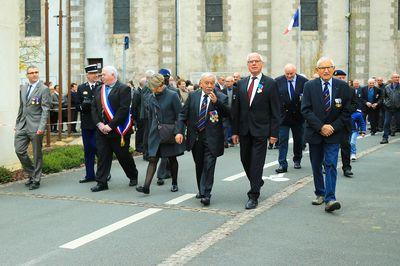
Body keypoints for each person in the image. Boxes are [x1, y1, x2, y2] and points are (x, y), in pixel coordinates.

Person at [301, 57, 352, 212]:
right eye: (322, 68)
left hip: (334, 133)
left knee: (330, 164)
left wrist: (332, 127)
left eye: (329, 67)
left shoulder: (342, 86)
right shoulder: (309, 86)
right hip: (315, 132)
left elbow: (348, 109)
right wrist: (321, 126)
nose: (326, 70)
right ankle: (320, 193)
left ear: (333, 68)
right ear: (317, 70)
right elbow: (306, 110)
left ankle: (330, 199)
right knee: (316, 164)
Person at [231, 52, 280, 209]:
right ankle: (257, 181)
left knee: (257, 163)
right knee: (245, 160)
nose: (253, 64)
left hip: (261, 130)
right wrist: (234, 131)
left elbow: (276, 111)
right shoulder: (241, 84)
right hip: (244, 130)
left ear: (261, 64)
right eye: (250, 62)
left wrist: (274, 133)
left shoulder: (270, 83)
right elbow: (236, 110)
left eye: (256, 61)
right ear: (247, 65)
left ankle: (253, 195)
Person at [176, 73, 229, 206]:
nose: (209, 86)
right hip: (196, 138)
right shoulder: (193, 96)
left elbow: (229, 113)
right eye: (207, 83)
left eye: (212, 83)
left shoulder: (221, 97)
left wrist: (217, 102)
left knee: (209, 166)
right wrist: (179, 132)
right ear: (200, 84)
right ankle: (201, 189)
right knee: (199, 165)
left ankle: (206, 193)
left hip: (212, 138)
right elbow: (183, 114)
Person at [90, 66, 139, 192]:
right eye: (101, 75)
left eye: (104, 74)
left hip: (118, 130)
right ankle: (101, 182)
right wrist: (99, 124)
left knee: (123, 156)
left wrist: (110, 125)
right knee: (102, 156)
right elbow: (94, 108)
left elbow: (123, 110)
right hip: (102, 130)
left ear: (113, 75)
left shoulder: (124, 89)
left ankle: (133, 175)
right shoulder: (99, 89)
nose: (101, 77)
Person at [136, 73, 184, 194]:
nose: (152, 90)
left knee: (172, 159)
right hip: (155, 133)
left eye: (154, 87)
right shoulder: (152, 97)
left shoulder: (172, 95)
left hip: (169, 132)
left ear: (160, 85)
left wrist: (179, 132)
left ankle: (174, 183)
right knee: (153, 159)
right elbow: (151, 117)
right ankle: (146, 187)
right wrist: (148, 135)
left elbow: (180, 115)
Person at [15, 66, 51, 190]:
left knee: (37, 154)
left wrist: (41, 127)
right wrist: (17, 124)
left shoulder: (44, 89)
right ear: (27, 75)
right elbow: (21, 107)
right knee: (19, 150)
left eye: (36, 72)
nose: (34, 74)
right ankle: (31, 173)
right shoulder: (23, 88)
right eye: (31, 73)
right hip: (22, 125)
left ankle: (36, 179)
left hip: (36, 126)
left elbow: (45, 110)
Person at [275, 63, 308, 173]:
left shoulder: (303, 81)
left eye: (291, 74)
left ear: (295, 72)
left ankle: (297, 159)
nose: (289, 76)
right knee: (282, 140)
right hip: (283, 117)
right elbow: (275, 99)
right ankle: (282, 163)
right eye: (287, 74)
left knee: (298, 140)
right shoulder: (278, 81)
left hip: (298, 116)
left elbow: (307, 98)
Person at [76, 64, 103, 183]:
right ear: (87, 75)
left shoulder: (101, 86)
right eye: (92, 73)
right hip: (87, 124)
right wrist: (83, 106)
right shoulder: (81, 88)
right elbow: (77, 106)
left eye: (96, 73)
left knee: (101, 151)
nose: (95, 75)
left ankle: (104, 174)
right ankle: (89, 175)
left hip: (99, 124)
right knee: (88, 150)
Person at [333, 70, 355, 177]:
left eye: (343, 78)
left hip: (345, 122)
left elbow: (355, 104)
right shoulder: (331, 89)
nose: (341, 80)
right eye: (339, 78)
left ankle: (346, 167)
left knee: (345, 146)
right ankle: (327, 166)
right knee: (330, 146)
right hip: (331, 122)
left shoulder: (350, 90)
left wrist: (346, 110)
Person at [380, 73, 400, 143]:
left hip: (398, 109)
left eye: (398, 77)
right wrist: (386, 103)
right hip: (389, 108)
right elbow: (384, 97)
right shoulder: (387, 87)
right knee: (386, 123)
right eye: (395, 77)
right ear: (392, 79)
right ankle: (385, 138)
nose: (397, 78)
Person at [221, 76, 235, 147]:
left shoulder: (237, 90)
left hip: (234, 112)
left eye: (230, 81)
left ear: (233, 82)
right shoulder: (223, 90)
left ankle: (232, 141)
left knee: (233, 126)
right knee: (225, 126)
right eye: (227, 81)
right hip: (225, 112)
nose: (228, 83)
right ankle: (225, 141)